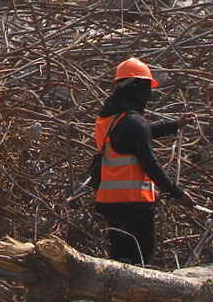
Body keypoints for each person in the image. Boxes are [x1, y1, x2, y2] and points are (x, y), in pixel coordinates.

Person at [82, 56, 192, 266]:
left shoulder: (107, 119)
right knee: (141, 259)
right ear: (138, 87)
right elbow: (150, 164)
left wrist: (175, 125)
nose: (148, 93)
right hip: (135, 204)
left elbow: (140, 133)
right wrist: (177, 193)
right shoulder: (133, 122)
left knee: (118, 261)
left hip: (109, 203)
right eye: (147, 87)